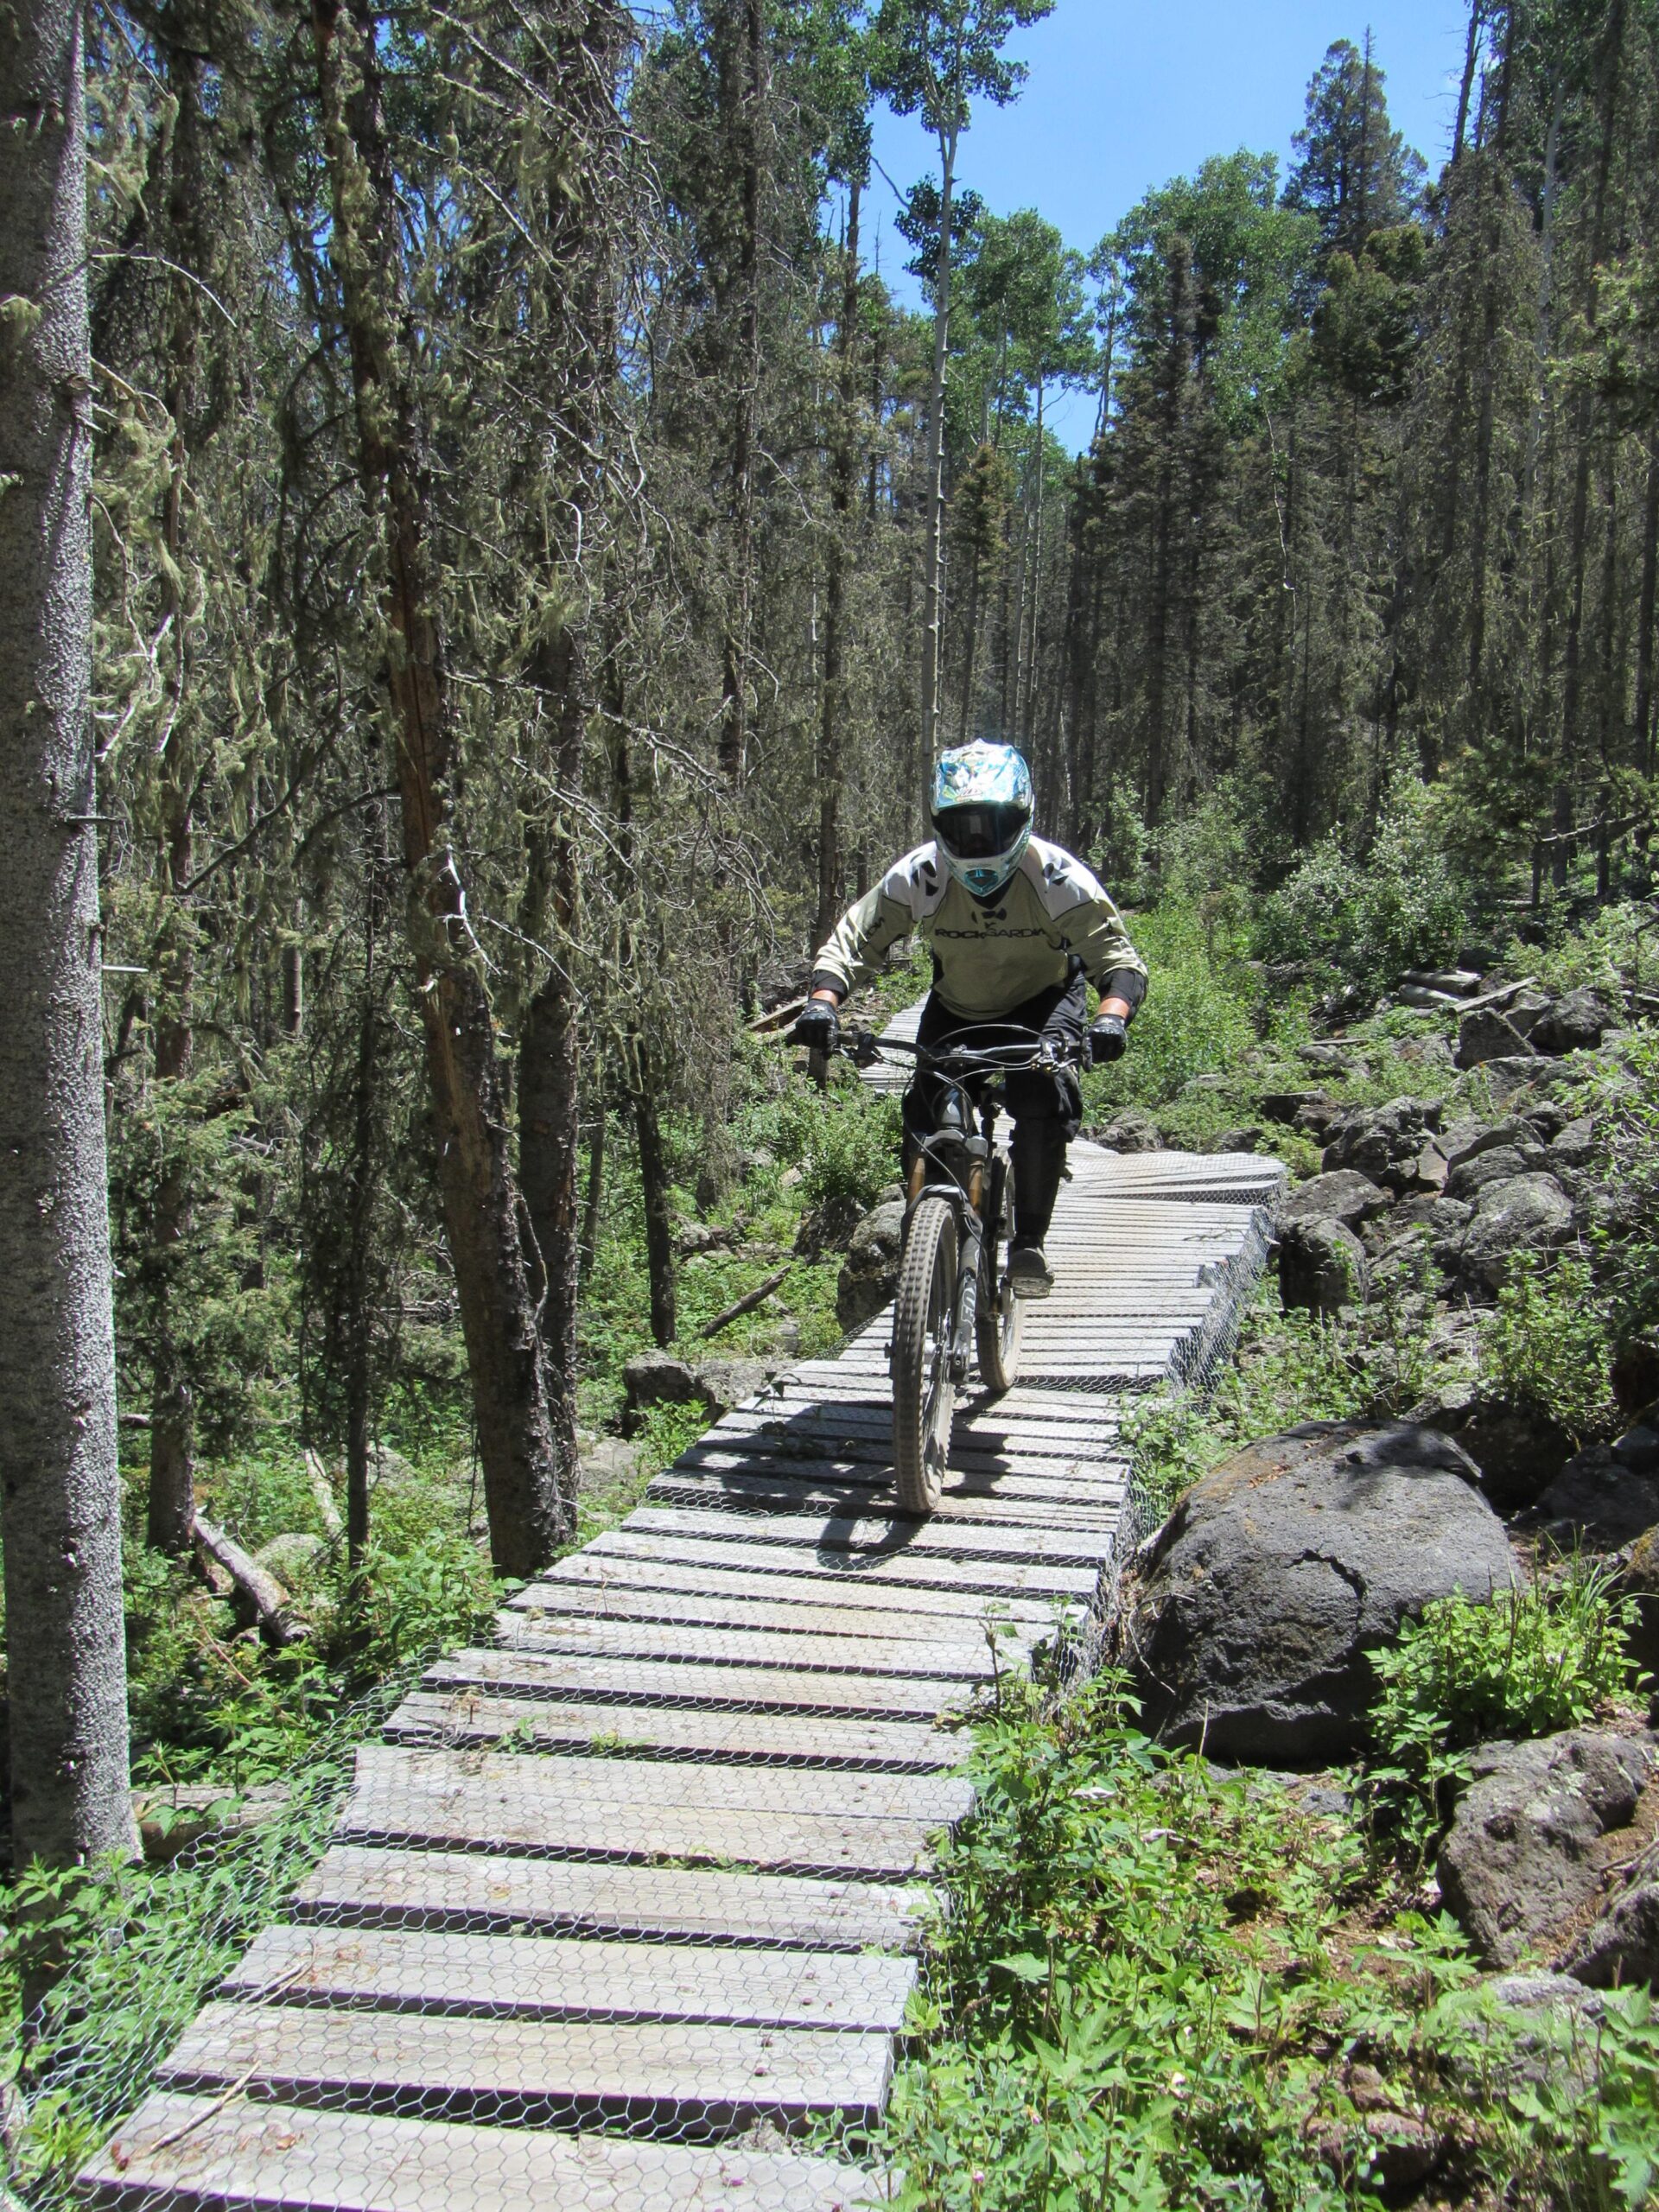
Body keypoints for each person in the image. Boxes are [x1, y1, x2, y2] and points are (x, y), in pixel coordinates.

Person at [795, 741, 1147, 1299]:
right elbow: (858, 938)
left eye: (993, 825)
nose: (978, 842)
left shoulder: (1058, 879)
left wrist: (1111, 1018)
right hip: (957, 1006)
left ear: (1023, 819)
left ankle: (1028, 1241)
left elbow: (1118, 960)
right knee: (925, 1112)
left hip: (1044, 1003)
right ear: (940, 825)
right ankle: (928, 1238)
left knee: (1041, 1101)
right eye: (964, 828)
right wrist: (823, 1001)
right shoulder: (921, 877)